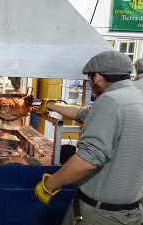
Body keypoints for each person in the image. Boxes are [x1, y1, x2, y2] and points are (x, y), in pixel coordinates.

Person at [33, 51, 143, 225]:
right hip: (132, 212)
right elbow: (84, 114)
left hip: (101, 215)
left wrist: (50, 184)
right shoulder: (135, 98)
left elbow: (88, 160)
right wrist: (50, 105)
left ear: (97, 77)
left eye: (89, 80)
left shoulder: (110, 101)